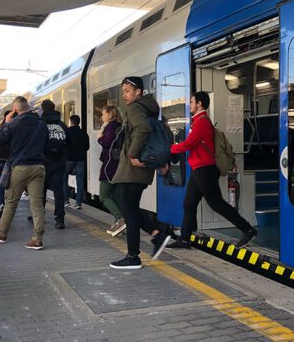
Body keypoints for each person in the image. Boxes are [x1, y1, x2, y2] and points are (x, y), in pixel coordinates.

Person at [168, 91, 257, 250]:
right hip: (198, 169)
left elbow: (189, 144)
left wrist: (171, 148)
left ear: (200, 104)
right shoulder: (198, 121)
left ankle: (248, 230)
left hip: (205, 170)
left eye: (192, 101)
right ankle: (185, 239)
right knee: (189, 204)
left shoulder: (202, 122)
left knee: (216, 203)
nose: (190, 104)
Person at [110, 76, 171, 270]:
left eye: (127, 91)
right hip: (140, 171)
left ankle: (133, 256)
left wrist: (133, 155)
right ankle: (156, 234)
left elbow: (143, 130)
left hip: (132, 169)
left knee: (127, 209)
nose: (125, 95)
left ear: (138, 92)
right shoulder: (149, 109)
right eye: (123, 92)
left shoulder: (135, 108)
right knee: (131, 208)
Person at [0, 96, 49, 250]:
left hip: (20, 167)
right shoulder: (42, 124)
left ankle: (1, 233)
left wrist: (6, 122)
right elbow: (46, 144)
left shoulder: (14, 123)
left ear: (15, 109)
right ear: (28, 107)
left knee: (11, 202)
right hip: (39, 167)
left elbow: (0, 140)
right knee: (36, 204)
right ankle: (37, 239)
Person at [97, 105, 126, 236]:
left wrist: (99, 137)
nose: (102, 117)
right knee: (117, 196)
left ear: (109, 114)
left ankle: (120, 219)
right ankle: (120, 225)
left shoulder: (110, 127)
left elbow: (107, 142)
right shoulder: (120, 126)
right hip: (119, 165)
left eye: (103, 114)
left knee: (104, 195)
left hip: (109, 166)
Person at [41, 99, 69, 229]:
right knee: (59, 191)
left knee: (41, 190)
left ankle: (39, 216)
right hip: (59, 162)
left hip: (43, 161)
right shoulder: (62, 124)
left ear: (43, 109)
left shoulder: (40, 124)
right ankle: (60, 219)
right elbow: (69, 142)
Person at [64, 114, 90, 209]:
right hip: (80, 160)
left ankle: (66, 201)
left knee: (64, 179)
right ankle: (78, 203)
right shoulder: (84, 133)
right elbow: (87, 147)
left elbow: (64, 145)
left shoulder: (66, 132)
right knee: (80, 181)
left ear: (71, 122)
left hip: (68, 159)